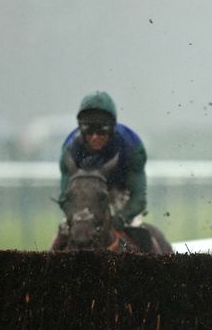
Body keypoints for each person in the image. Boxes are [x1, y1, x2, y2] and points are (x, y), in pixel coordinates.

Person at [51, 91, 149, 250]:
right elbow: (65, 197)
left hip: (121, 193)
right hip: (84, 197)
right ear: (81, 128)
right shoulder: (69, 150)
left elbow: (139, 197)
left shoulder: (132, 146)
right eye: (88, 130)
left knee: (141, 235)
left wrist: (122, 218)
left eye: (101, 130)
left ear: (112, 128)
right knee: (63, 234)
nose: (95, 137)